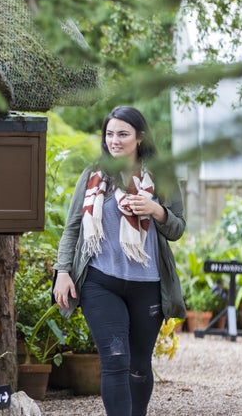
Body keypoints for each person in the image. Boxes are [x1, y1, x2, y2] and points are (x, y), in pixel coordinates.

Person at [52, 106, 186, 416]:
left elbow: (177, 227)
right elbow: (73, 228)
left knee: (139, 365)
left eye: (122, 134)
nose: (114, 140)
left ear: (139, 138)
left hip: (147, 285)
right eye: (110, 134)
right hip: (100, 282)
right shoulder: (93, 175)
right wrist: (62, 270)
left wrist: (156, 210)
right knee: (114, 361)